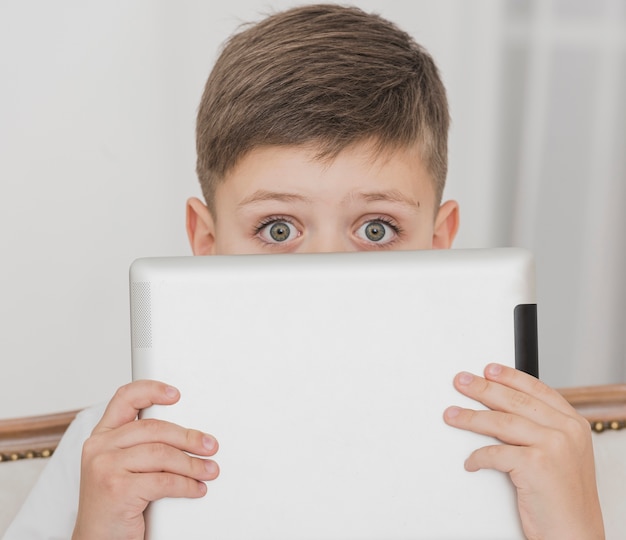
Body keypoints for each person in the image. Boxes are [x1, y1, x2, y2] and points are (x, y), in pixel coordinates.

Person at [4, 4, 604, 540]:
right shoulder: (116, 451)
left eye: (376, 229)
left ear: (440, 240)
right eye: (279, 229)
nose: (326, 275)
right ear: (207, 241)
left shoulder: (534, 451)